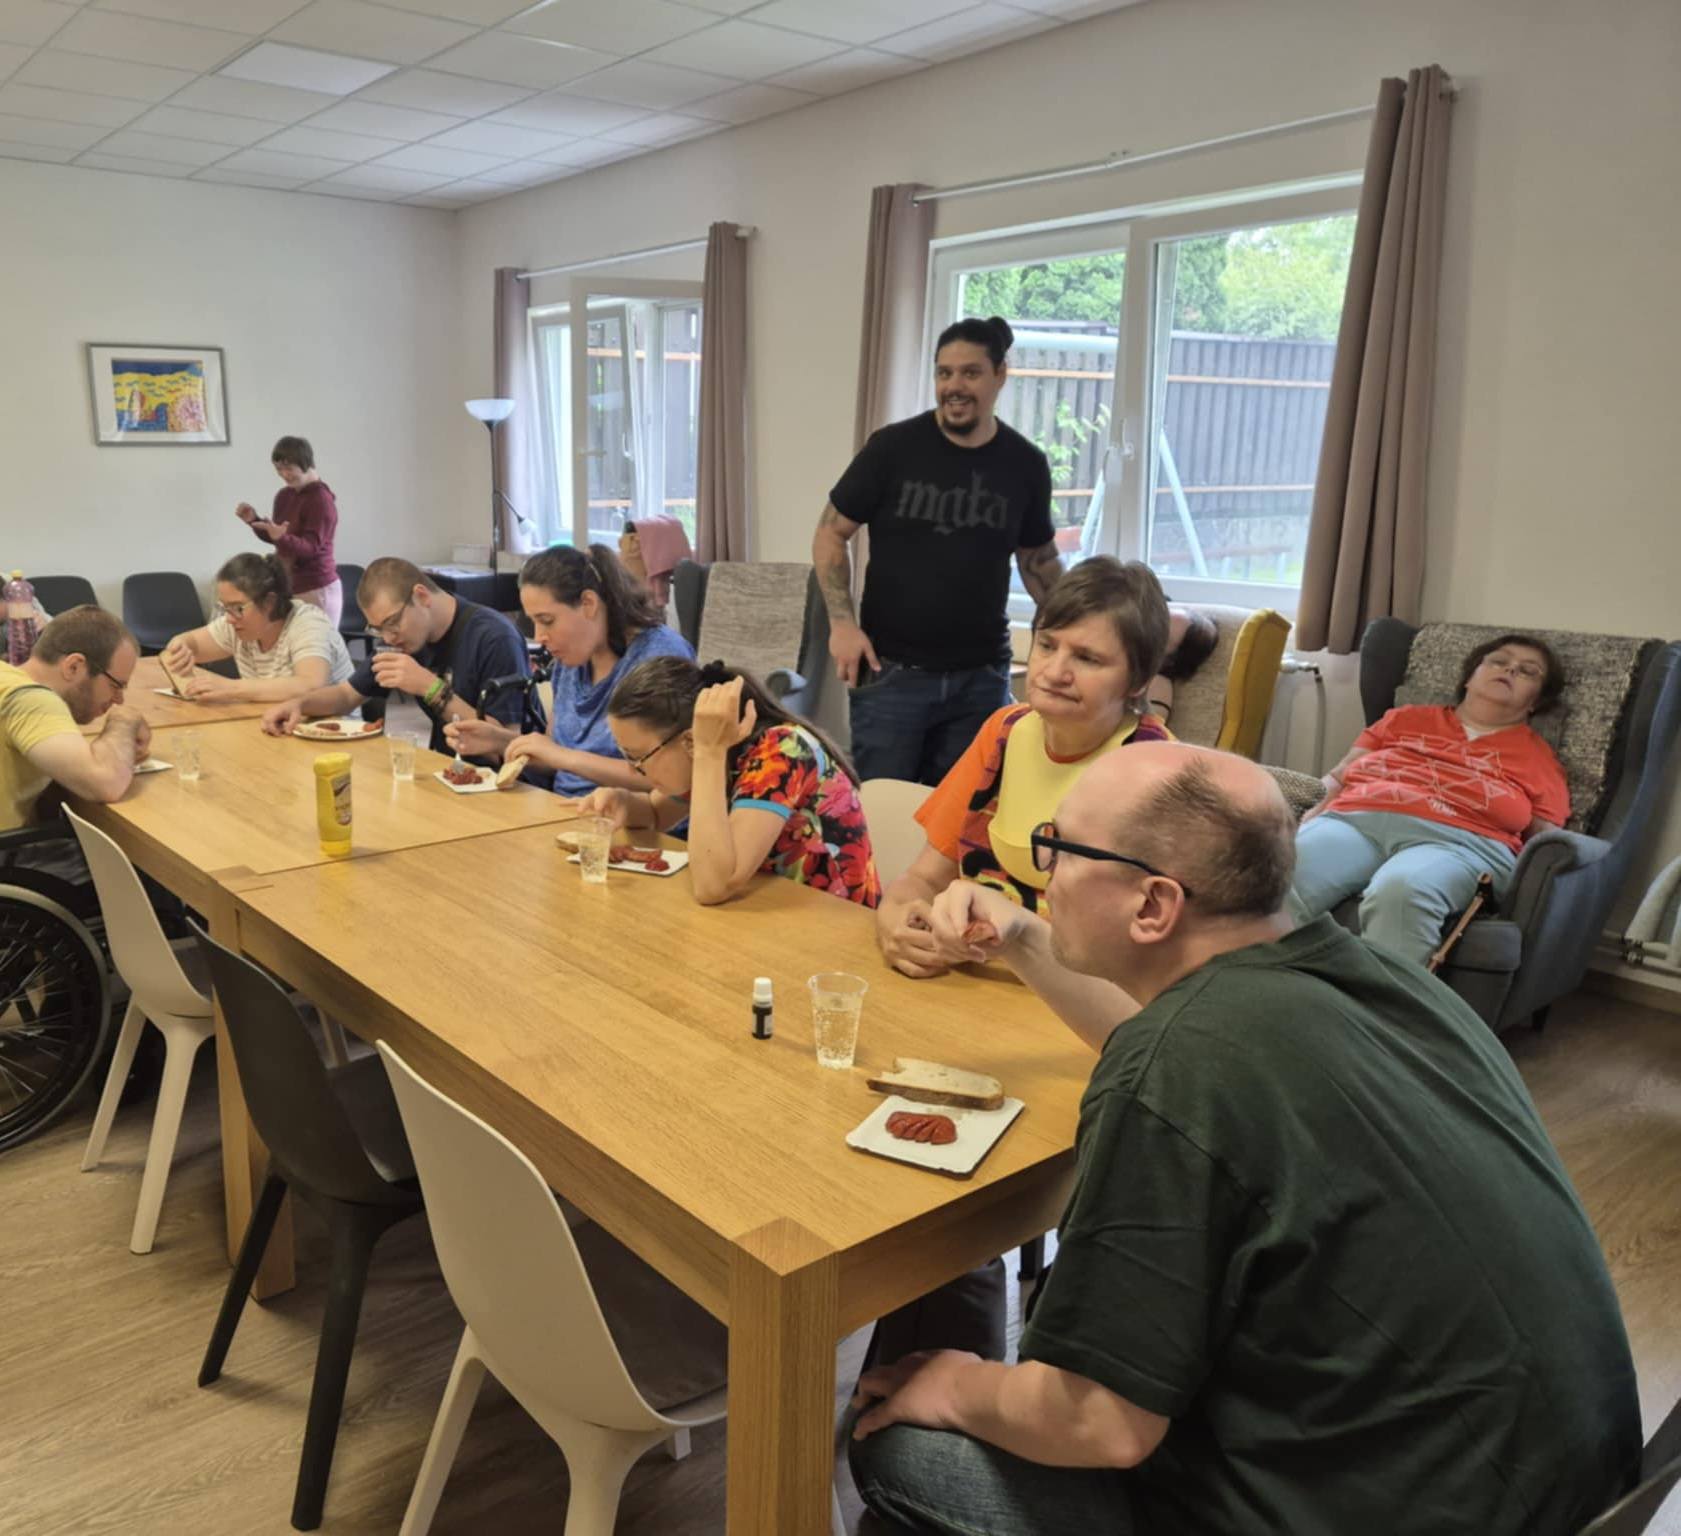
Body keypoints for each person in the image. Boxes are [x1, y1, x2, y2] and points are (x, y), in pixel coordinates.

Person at [848, 742, 1641, 1536]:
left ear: (1153, 905)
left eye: (1059, 847)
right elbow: (1182, 1045)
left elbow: (1098, 1424)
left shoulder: (1176, 1069)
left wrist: (954, 1384)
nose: (1042, 871)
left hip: (1404, 1508)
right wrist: (1023, 933)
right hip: (1577, 1496)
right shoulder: (1379, 981)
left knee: (906, 1446)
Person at [876, 557, 1171, 978]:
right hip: (976, 986)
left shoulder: (1159, 771)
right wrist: (894, 921)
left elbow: (1149, 956)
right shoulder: (1002, 732)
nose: (1054, 672)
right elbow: (922, 880)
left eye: (1087, 658)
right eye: (1047, 645)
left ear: (1138, 681)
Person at [813, 316, 1062, 786]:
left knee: (960, 815)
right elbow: (830, 533)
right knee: (883, 810)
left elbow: (1038, 561)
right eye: (944, 373)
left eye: (970, 373)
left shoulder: (1025, 463)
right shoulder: (892, 448)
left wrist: (1078, 628)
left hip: (981, 679)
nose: (954, 386)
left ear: (1000, 374)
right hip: (891, 675)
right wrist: (842, 624)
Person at [1288, 633, 1568, 965]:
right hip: (1355, 820)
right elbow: (1338, 777)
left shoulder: (1539, 758)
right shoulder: (1404, 718)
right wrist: (1300, 819)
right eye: (1499, 661)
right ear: (1469, 677)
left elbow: (1545, 836)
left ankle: (1385, 999)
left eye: (1528, 671)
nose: (1510, 670)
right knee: (1284, 874)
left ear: (1536, 701)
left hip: (1459, 844)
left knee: (1403, 890)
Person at [572, 657, 879, 908]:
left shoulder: (781, 750)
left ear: (690, 741)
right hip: (764, 911)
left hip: (832, 924)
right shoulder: (708, 754)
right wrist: (624, 802)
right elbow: (655, 813)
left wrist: (709, 752)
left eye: (638, 756)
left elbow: (713, 886)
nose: (632, 768)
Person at [442, 544, 693, 795]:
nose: (539, 636)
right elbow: (554, 753)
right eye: (534, 622)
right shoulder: (570, 660)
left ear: (588, 603)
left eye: (547, 621)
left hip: (632, 816)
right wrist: (499, 741)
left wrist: (564, 757)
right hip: (565, 807)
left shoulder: (659, 655)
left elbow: (674, 779)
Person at [262, 559, 527, 757]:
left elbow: (503, 741)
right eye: (378, 629)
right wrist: (299, 704)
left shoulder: (494, 637)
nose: (388, 638)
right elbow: (346, 695)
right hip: (446, 770)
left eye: (392, 623)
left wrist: (430, 687)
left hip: (505, 784)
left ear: (421, 596)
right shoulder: (404, 639)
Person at [2, 607, 148, 879]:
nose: (118, 699)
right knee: (142, 869)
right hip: (8, 860)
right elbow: (106, 783)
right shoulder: (30, 699)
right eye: (116, 685)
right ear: (74, 667)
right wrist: (124, 720)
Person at [158, 553, 354, 705]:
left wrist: (232, 688)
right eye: (224, 608)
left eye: (237, 607)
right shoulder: (236, 622)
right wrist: (180, 645)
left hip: (334, 732)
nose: (229, 618)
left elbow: (311, 685)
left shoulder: (308, 624)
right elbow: (192, 643)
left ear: (269, 602)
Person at [238, 434, 342, 625]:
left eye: (289, 468)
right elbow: (278, 537)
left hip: (317, 587)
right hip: (290, 584)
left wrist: (281, 538)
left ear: (305, 463)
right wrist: (253, 520)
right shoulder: (284, 495)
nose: (284, 475)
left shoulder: (321, 500)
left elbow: (310, 548)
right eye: (279, 469)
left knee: (319, 642)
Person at [1142, 604, 1219, 725]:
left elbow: (1144, 734)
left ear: (1170, 661)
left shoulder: (1157, 686)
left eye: (1161, 634)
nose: (1148, 628)